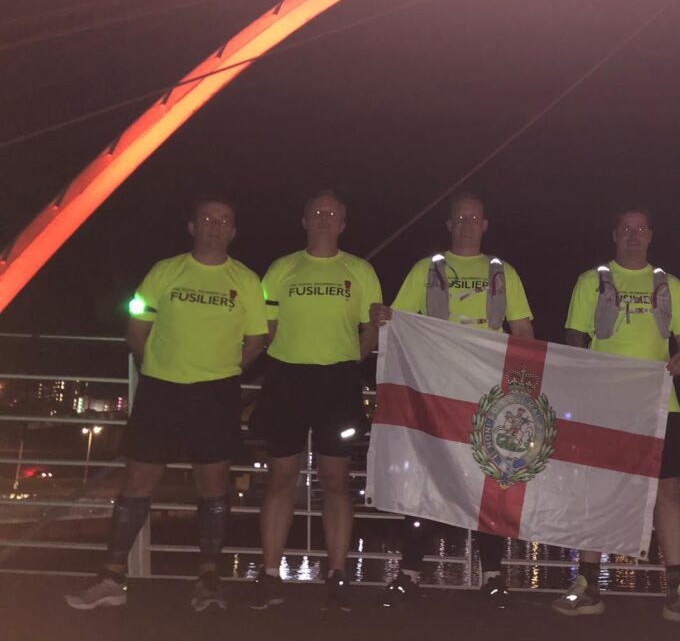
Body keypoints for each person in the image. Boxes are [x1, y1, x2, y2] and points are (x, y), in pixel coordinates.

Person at [65, 197, 267, 611]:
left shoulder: (246, 280)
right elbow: (136, 330)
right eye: (207, 218)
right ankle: (111, 577)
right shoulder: (164, 271)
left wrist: (223, 371)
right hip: (161, 390)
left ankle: (209, 579)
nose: (215, 225)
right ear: (192, 226)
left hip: (215, 394)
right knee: (136, 485)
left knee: (213, 488)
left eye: (224, 220)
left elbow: (257, 341)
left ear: (233, 232)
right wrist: (154, 367)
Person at [370, 191, 533, 609]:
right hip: (436, 389)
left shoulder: (504, 272)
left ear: (485, 225)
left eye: (473, 218)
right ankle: (409, 571)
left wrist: (523, 386)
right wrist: (381, 317)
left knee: (489, 480)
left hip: (487, 392)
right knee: (428, 474)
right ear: (448, 225)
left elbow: (523, 331)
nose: (466, 224)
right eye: (459, 218)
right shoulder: (427, 269)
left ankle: (494, 574)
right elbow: (399, 317)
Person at [551, 205, 680, 626]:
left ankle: (678, 589)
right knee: (597, 491)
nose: (633, 236)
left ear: (651, 236)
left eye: (640, 229)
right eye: (626, 229)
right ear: (614, 235)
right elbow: (574, 338)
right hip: (605, 405)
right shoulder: (592, 280)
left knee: (668, 492)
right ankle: (587, 583)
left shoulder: (669, 284)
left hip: (659, 403)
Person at [247, 190, 382, 611]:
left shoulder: (361, 271)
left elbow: (372, 327)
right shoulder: (280, 268)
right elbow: (263, 330)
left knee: (336, 481)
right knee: (281, 478)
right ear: (304, 220)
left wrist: (347, 363)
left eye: (333, 214)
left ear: (343, 224)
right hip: (286, 379)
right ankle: (270, 575)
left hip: (338, 382)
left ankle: (337, 574)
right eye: (317, 213)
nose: (324, 219)